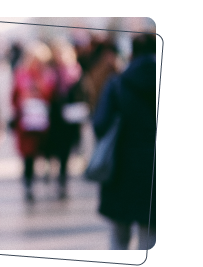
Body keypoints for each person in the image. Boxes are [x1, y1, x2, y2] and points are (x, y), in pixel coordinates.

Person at [92, 33, 156, 250]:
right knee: (150, 236)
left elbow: (100, 124)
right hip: (153, 174)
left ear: (131, 54)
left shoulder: (117, 84)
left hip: (121, 169)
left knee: (119, 238)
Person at [11, 40, 57, 202]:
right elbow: (14, 97)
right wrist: (23, 102)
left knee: (44, 151)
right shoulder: (20, 74)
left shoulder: (48, 74)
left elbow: (52, 95)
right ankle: (28, 184)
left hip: (43, 121)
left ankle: (46, 177)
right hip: (26, 122)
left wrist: (40, 93)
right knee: (28, 154)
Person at [45, 38, 83, 199]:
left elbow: (85, 92)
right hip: (55, 119)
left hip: (71, 119)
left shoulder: (77, 72)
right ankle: (54, 173)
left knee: (67, 152)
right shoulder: (52, 73)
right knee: (56, 149)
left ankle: (63, 180)